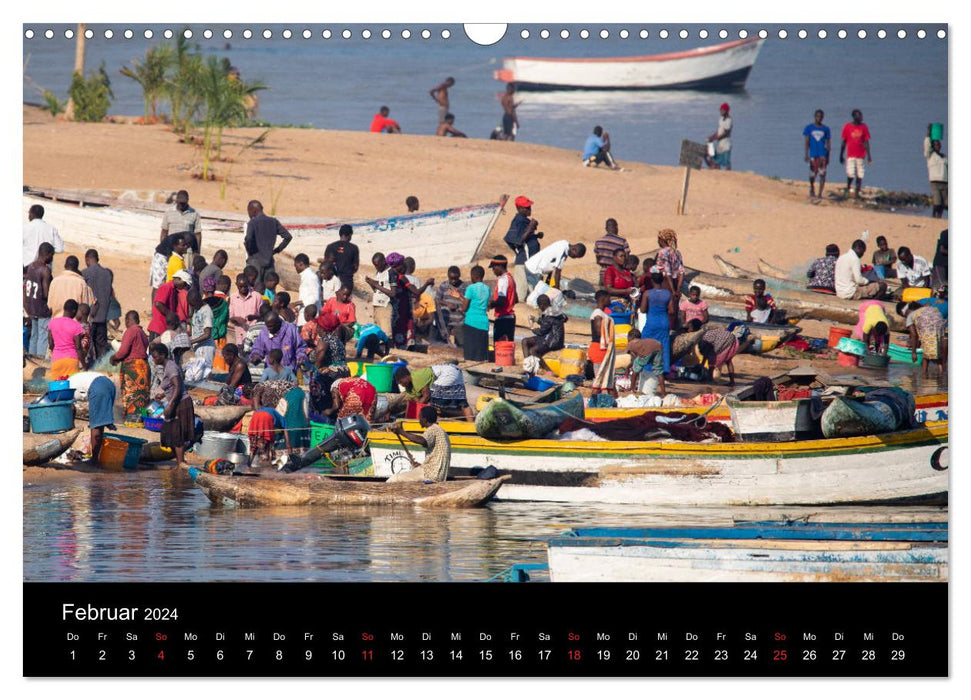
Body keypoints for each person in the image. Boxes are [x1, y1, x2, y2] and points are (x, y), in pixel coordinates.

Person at [368, 252, 431, 349]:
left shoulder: (395, 276)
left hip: (397, 310)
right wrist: (427, 283)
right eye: (402, 264)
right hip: (401, 310)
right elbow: (416, 292)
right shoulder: (399, 277)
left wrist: (375, 285)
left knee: (395, 334)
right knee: (399, 335)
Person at [388, 406, 451, 483]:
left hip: (430, 474)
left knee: (394, 479)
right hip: (436, 473)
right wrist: (421, 466)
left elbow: (421, 440)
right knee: (413, 470)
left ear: (424, 419)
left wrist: (400, 431)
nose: (419, 420)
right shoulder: (441, 431)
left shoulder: (433, 429)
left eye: (420, 417)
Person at [110, 310, 151, 426]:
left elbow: (123, 351)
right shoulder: (142, 332)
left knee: (132, 394)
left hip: (133, 369)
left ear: (128, 320)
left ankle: (133, 420)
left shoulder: (131, 331)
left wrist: (114, 358)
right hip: (143, 366)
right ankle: (142, 419)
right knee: (143, 395)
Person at [396, 364, 473, 420]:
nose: (402, 385)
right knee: (463, 403)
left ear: (407, 376)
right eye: (399, 384)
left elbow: (426, 396)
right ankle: (471, 425)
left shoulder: (416, 378)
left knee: (434, 403)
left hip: (448, 373)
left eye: (401, 381)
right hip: (455, 372)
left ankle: (437, 422)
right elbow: (417, 402)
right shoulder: (408, 389)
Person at [244, 200, 292, 283]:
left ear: (253, 210)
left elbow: (248, 239)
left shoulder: (252, 223)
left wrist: (249, 250)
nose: (249, 214)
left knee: (254, 290)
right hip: (269, 261)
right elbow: (288, 237)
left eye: (249, 211)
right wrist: (277, 250)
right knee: (269, 291)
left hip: (255, 261)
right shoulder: (273, 222)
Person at [639, 266, 676, 374]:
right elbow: (671, 311)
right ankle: (663, 370)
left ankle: (647, 368)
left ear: (652, 280)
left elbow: (642, 309)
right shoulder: (667, 294)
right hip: (664, 322)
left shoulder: (647, 293)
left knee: (647, 344)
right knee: (663, 345)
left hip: (652, 322)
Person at [82, 248, 114, 360]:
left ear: (87, 259)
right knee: (101, 346)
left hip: (90, 316)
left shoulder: (85, 273)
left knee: (88, 348)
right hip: (103, 317)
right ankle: (101, 368)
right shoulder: (107, 274)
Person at [24, 242, 54, 357]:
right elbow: (46, 293)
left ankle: (32, 358)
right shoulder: (45, 270)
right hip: (42, 309)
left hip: (31, 306)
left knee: (34, 336)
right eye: (52, 255)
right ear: (47, 255)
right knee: (42, 336)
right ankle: (40, 360)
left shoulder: (31, 266)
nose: (52, 258)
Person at [522, 295, 566, 372]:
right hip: (549, 337)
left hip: (553, 340)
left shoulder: (550, 315)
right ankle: (528, 364)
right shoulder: (553, 311)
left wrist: (532, 328)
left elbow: (541, 331)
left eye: (539, 306)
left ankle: (549, 371)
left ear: (542, 305)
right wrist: (536, 320)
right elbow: (546, 323)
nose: (539, 308)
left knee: (533, 350)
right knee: (525, 341)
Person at [903, 302, 947, 379]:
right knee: (935, 356)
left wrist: (914, 352)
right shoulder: (928, 309)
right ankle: (939, 377)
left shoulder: (911, 315)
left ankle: (930, 378)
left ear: (910, 309)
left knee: (928, 357)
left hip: (928, 331)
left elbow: (913, 334)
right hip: (940, 328)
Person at [458, 265, 490, 361]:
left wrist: (460, 307)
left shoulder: (471, 288)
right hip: (484, 323)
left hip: (471, 323)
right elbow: (476, 302)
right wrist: (460, 296)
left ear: (474, 276)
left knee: (470, 353)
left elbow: (464, 307)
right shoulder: (487, 289)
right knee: (481, 353)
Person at [47, 299, 85, 379]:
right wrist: (84, 364)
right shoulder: (76, 325)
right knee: (72, 386)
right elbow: (78, 347)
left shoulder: (53, 323)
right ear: (74, 311)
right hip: (71, 360)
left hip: (57, 360)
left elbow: (50, 344)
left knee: (56, 387)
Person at [160, 190, 201, 264]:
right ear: (176, 200)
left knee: (186, 274)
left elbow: (197, 234)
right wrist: (164, 251)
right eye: (180, 203)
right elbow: (164, 233)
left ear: (188, 200)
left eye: (184, 203)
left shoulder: (194, 214)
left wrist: (197, 253)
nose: (182, 205)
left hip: (187, 253)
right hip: (171, 251)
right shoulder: (168, 212)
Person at [148, 270, 191, 340]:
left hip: (166, 328)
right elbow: (158, 304)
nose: (184, 287)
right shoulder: (166, 287)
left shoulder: (174, 290)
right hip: (158, 327)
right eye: (185, 284)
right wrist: (170, 314)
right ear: (179, 279)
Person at [589, 290, 616, 397]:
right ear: (603, 299)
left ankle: (614, 401)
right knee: (599, 380)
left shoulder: (602, 314)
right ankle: (593, 404)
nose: (610, 300)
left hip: (602, 349)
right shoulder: (598, 314)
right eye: (609, 298)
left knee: (606, 378)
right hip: (599, 349)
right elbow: (599, 332)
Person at [839, 110, 872, 198]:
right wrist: (841, 155)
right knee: (850, 173)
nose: (861, 117)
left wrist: (869, 156)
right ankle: (848, 187)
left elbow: (866, 142)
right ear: (854, 117)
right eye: (859, 116)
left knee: (860, 174)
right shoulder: (848, 127)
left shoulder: (864, 127)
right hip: (850, 155)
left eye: (861, 115)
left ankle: (857, 191)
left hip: (860, 155)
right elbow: (844, 141)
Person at [85, 375, 117, 465]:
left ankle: (94, 459)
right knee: (100, 422)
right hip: (110, 386)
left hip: (98, 387)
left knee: (96, 424)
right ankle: (96, 457)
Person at [22, 204, 63, 270]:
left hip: (27, 266)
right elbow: (60, 248)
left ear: (31, 214)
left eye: (29, 213)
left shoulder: (24, 227)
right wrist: (47, 252)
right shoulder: (51, 229)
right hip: (45, 268)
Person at [435, 266, 468, 346]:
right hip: (446, 320)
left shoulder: (465, 287)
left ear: (459, 276)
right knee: (442, 344)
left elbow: (467, 302)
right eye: (451, 278)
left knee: (461, 345)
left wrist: (457, 305)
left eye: (455, 278)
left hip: (459, 321)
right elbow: (437, 300)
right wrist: (447, 303)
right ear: (448, 276)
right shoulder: (443, 286)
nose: (453, 281)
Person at [626, 329, 666, 396]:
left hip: (647, 351)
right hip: (658, 346)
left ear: (629, 338)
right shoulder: (642, 342)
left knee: (635, 371)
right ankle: (664, 393)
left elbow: (635, 359)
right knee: (659, 372)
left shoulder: (630, 345)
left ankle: (632, 389)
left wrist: (628, 367)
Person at [228, 273, 264, 345]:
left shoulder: (257, 296)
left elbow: (263, 315)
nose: (243, 289)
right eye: (240, 286)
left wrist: (253, 317)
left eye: (245, 286)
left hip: (254, 335)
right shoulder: (233, 297)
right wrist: (236, 318)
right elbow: (230, 316)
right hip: (239, 335)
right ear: (236, 284)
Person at [803, 109, 831, 198]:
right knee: (812, 174)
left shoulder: (826, 129)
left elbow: (828, 143)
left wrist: (828, 156)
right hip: (813, 154)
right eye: (817, 116)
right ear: (815, 116)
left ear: (823, 117)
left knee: (822, 175)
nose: (819, 118)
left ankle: (820, 194)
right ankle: (812, 187)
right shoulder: (809, 128)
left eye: (821, 116)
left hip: (823, 155)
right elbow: (807, 142)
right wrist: (806, 154)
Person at [488, 255, 517, 343]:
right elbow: (516, 299)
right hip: (510, 318)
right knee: (508, 347)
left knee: (499, 347)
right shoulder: (511, 278)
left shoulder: (502, 280)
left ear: (500, 267)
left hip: (503, 318)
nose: (493, 271)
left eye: (493, 268)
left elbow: (501, 301)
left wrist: (490, 304)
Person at [324, 224, 360, 292]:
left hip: (331, 280)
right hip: (347, 281)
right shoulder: (354, 248)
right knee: (345, 301)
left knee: (330, 301)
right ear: (350, 235)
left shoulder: (330, 247)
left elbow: (325, 265)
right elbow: (355, 267)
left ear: (340, 234)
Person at [594, 218, 630, 285]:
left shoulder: (599, 241)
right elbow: (627, 257)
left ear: (606, 228)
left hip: (603, 273)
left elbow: (598, 260)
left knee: (603, 294)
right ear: (616, 227)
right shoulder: (622, 241)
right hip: (617, 274)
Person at [365, 252, 393, 337]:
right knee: (378, 331)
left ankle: (389, 349)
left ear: (384, 261)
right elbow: (376, 290)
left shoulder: (390, 272)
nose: (376, 267)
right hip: (377, 304)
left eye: (377, 265)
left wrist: (376, 284)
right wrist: (371, 283)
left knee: (386, 332)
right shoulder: (378, 273)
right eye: (375, 265)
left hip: (385, 305)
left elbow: (391, 292)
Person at [208, 275, 232, 373]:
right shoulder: (226, 299)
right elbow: (226, 317)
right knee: (221, 357)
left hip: (209, 333)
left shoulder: (208, 297)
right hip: (220, 334)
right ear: (226, 286)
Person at [924, 124, 947, 218]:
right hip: (935, 181)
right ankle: (934, 216)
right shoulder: (930, 156)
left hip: (945, 182)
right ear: (933, 146)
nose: (938, 146)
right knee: (937, 202)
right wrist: (929, 133)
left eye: (939, 144)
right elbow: (926, 145)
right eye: (936, 144)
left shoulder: (944, 157)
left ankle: (939, 217)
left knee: (945, 203)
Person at [290, 253, 320, 327]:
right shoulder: (306, 276)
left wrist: (296, 303)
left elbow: (314, 297)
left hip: (310, 315)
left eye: (296, 266)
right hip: (304, 313)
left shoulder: (311, 277)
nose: (295, 268)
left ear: (301, 264)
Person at [188, 289, 215, 368]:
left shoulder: (206, 311)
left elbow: (207, 334)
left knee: (205, 374)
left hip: (206, 348)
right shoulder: (197, 309)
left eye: (192, 305)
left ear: (198, 300)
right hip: (199, 347)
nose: (191, 307)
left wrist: (191, 341)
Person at [655, 229, 684, 298]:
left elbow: (667, 273)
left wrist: (673, 290)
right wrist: (678, 289)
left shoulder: (662, 252)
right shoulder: (677, 253)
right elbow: (681, 272)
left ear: (662, 240)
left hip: (665, 284)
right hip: (675, 282)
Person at [705, 103, 733, 170]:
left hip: (726, 144)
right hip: (720, 143)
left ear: (726, 111)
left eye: (723, 110)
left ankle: (729, 173)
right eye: (720, 110)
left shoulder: (729, 120)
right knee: (716, 159)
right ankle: (717, 170)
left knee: (726, 161)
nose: (721, 111)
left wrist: (715, 138)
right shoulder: (721, 119)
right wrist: (711, 137)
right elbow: (718, 131)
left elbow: (726, 133)